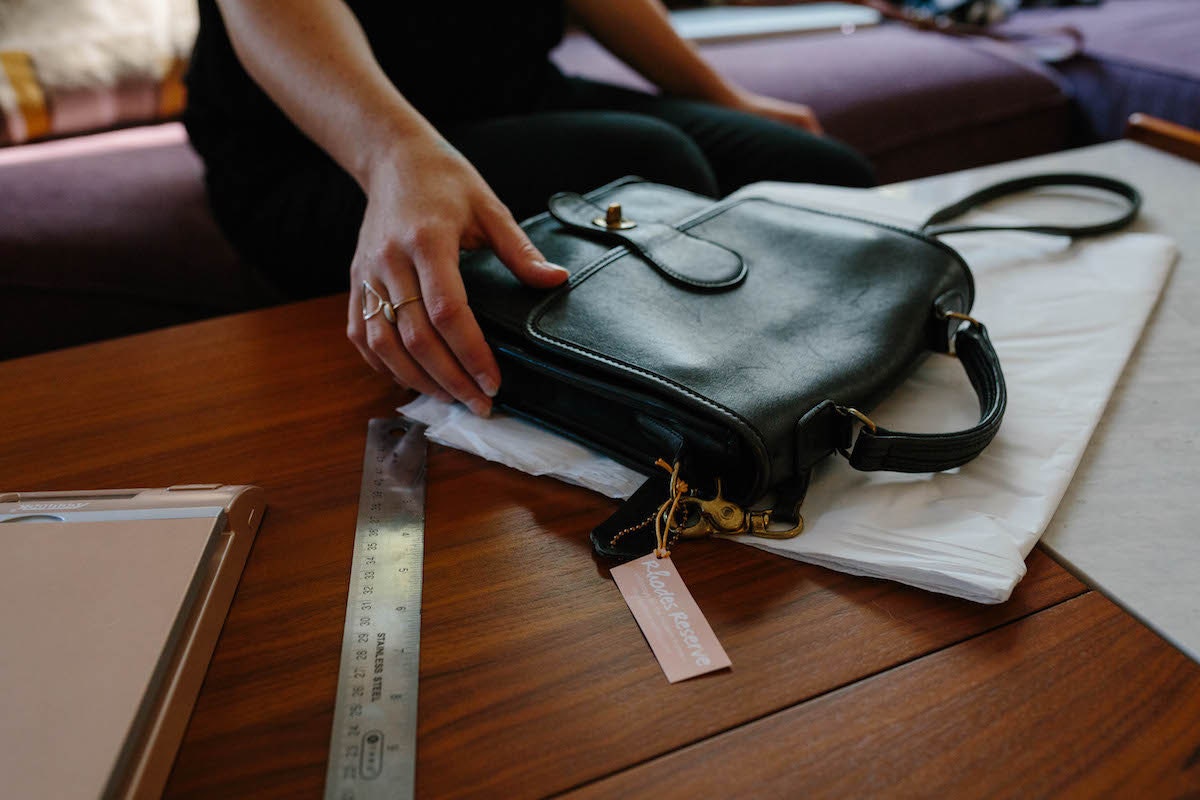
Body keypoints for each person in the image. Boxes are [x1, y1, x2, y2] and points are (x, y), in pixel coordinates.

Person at [184, 0, 876, 418]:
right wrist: (391, 155)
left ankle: (826, 372)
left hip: (512, 91)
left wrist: (724, 98)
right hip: (316, 145)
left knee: (819, 171)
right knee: (654, 167)